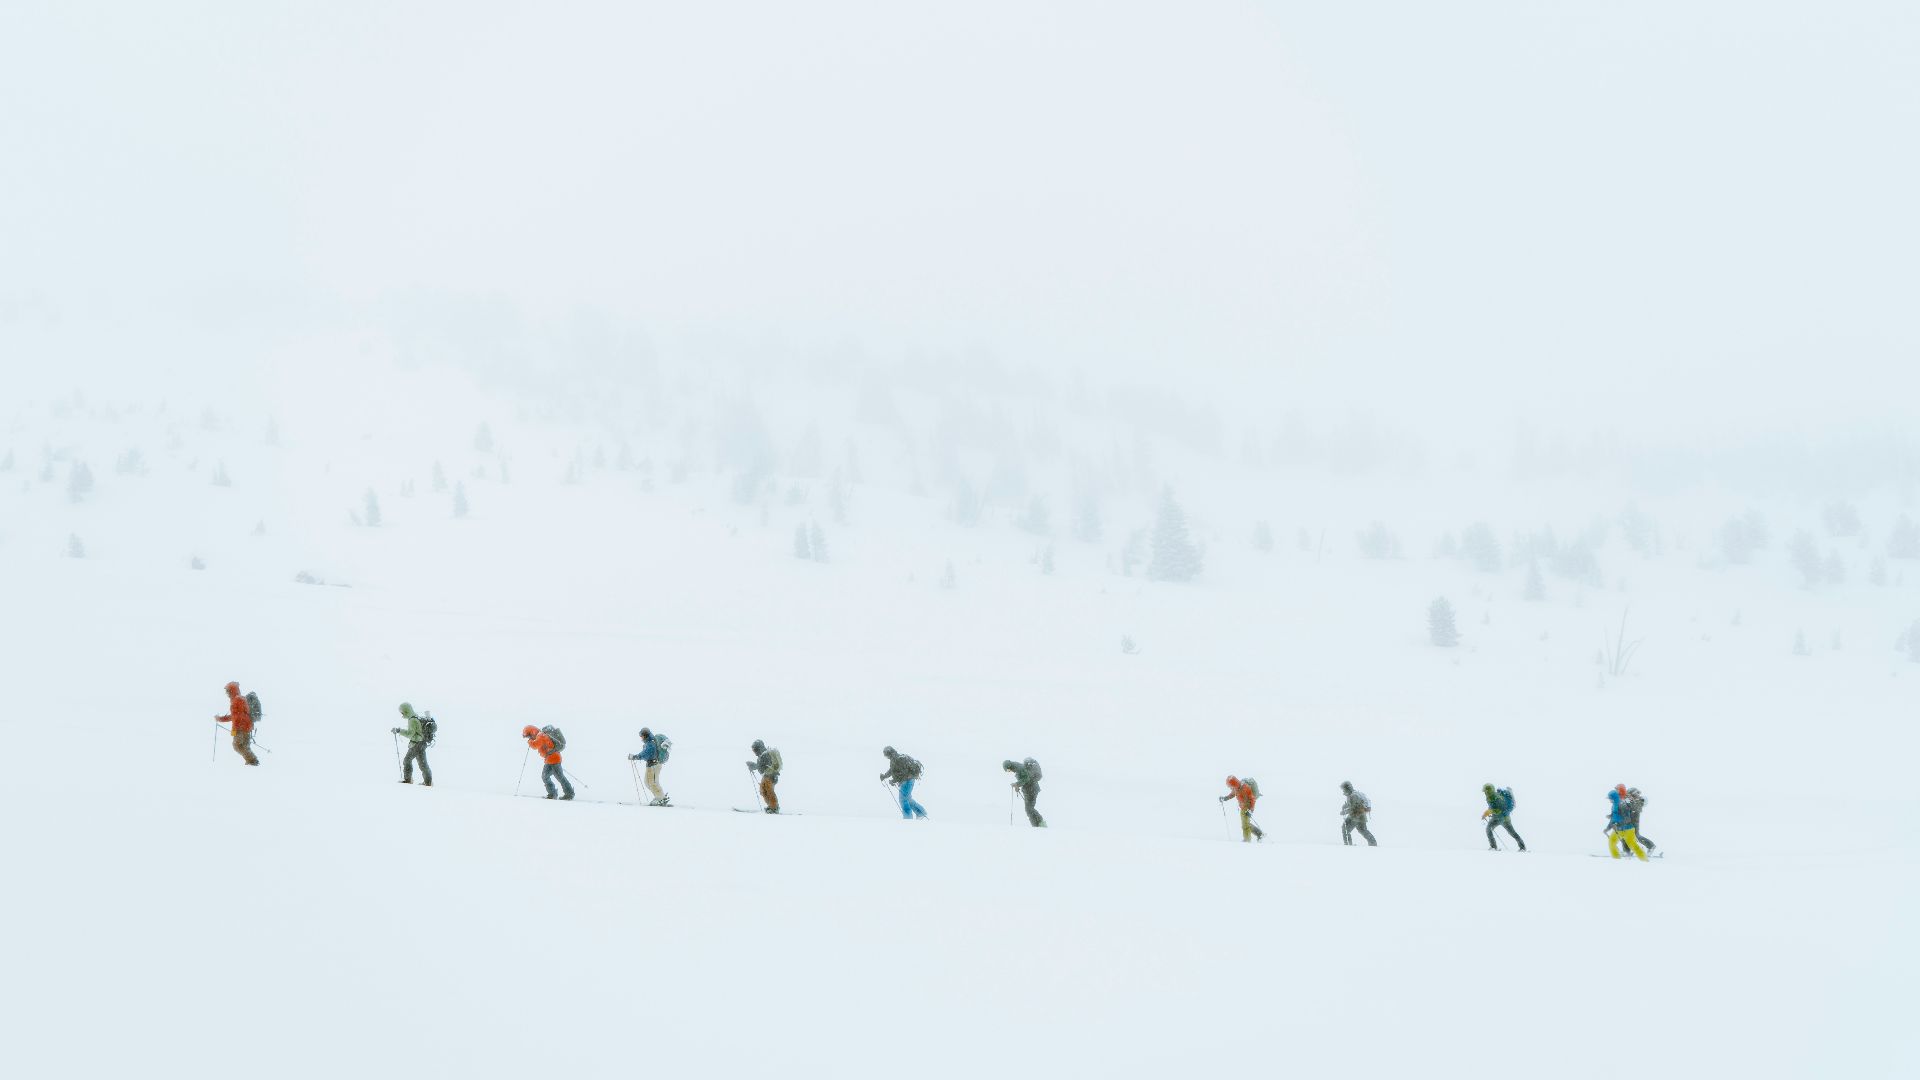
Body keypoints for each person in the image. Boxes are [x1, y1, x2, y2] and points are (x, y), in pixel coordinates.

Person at [214, 681, 259, 766]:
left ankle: (252, 761)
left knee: (237, 746)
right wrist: (221, 719)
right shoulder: (240, 699)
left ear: (232, 690)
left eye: (227, 691)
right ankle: (252, 762)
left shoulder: (236, 700)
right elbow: (235, 715)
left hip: (241, 727)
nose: (226, 693)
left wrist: (234, 730)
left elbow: (237, 717)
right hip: (247, 726)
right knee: (245, 746)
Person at [524, 725, 573, 800]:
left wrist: (530, 741)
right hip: (549, 760)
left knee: (560, 777)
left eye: (529, 736)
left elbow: (534, 745)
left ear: (532, 732)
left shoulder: (541, 735)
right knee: (545, 776)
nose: (529, 738)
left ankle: (569, 793)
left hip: (554, 759)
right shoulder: (540, 735)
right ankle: (552, 794)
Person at [879, 746, 927, 819]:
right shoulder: (895, 758)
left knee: (903, 799)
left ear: (888, 753)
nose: (886, 757)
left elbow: (903, 773)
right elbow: (892, 770)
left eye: (885, 755)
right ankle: (920, 813)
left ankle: (908, 819)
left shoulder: (897, 759)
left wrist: (893, 781)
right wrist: (885, 776)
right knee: (907, 798)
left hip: (907, 780)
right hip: (908, 780)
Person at [391, 702, 432, 786]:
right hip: (422, 743)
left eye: (402, 712)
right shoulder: (416, 716)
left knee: (407, 760)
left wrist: (399, 731)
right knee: (423, 764)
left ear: (406, 711)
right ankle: (428, 782)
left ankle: (407, 780)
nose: (401, 714)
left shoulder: (412, 720)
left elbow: (410, 734)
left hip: (416, 744)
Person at [1607, 784, 1650, 861]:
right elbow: (1617, 812)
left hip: (1630, 823)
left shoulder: (1627, 799)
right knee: (1620, 841)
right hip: (1622, 826)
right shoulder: (1619, 799)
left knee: (1634, 839)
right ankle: (1626, 853)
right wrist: (1612, 817)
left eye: (1617, 789)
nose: (1616, 790)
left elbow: (1632, 809)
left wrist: (1617, 821)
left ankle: (1648, 850)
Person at [628, 727, 670, 806]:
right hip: (652, 765)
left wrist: (634, 757)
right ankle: (659, 797)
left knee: (653, 783)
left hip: (654, 765)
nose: (641, 737)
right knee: (648, 783)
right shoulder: (649, 742)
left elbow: (645, 754)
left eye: (641, 735)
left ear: (645, 735)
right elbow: (645, 753)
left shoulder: (651, 743)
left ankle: (661, 798)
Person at [1218, 776, 1264, 842]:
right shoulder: (1236, 788)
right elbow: (1232, 794)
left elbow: (1252, 799)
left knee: (1245, 824)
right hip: (1243, 806)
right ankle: (1259, 834)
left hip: (1247, 806)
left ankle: (1247, 840)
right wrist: (1225, 798)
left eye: (1230, 786)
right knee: (1245, 823)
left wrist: (1251, 810)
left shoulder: (1245, 787)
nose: (1229, 787)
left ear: (1233, 784)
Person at [1481, 783, 1524, 851]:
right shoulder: (1491, 797)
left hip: (1500, 818)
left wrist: (1488, 812)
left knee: (1488, 829)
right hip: (1505, 818)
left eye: (1485, 791)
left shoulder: (1496, 798)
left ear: (1489, 791)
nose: (1484, 793)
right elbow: (1492, 807)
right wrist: (1486, 813)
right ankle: (1522, 847)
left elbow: (1499, 810)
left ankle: (1493, 847)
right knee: (1512, 833)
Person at [1004, 758, 1045, 827]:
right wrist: (1017, 786)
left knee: (1029, 809)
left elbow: (1026, 778)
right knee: (1029, 809)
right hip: (1029, 790)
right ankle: (1038, 825)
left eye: (1008, 770)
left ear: (1009, 766)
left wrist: (1017, 784)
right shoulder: (1017, 768)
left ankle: (1040, 824)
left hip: (1032, 790)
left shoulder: (1019, 768)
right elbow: (1024, 779)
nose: (1009, 771)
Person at [746, 739, 782, 813]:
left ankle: (774, 808)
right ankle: (771, 806)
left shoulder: (765, 755)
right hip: (768, 776)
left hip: (771, 776)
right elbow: (762, 768)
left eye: (754, 749)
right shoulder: (762, 755)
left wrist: (753, 766)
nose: (754, 752)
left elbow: (762, 768)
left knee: (768, 791)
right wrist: (754, 766)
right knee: (763, 791)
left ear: (758, 748)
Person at [1340, 781, 1376, 846]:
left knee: (1345, 829)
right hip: (1359, 816)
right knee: (1362, 830)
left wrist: (1345, 811)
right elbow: (1352, 805)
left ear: (1347, 788)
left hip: (1356, 816)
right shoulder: (1351, 795)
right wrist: (1345, 806)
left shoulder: (1354, 795)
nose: (1343, 791)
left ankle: (1348, 845)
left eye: (1343, 789)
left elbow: (1355, 808)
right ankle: (1373, 843)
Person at [1622, 786, 1656, 853]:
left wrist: (1628, 801)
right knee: (1626, 836)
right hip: (1629, 821)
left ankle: (1651, 846)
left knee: (1635, 836)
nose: (1629, 796)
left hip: (1633, 821)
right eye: (1628, 794)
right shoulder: (1632, 801)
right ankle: (1627, 851)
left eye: (1630, 794)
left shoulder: (1638, 801)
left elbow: (1633, 809)